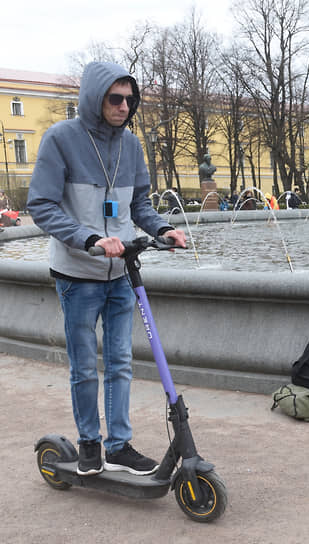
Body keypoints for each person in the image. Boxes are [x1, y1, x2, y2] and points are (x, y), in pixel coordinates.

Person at [27, 61, 187, 477]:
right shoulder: (61, 139)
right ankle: (88, 444)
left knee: (119, 362)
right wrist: (89, 240)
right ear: (94, 98)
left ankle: (118, 445)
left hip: (120, 274)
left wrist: (164, 229)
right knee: (84, 366)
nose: (123, 106)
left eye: (129, 100)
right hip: (77, 274)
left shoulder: (131, 145)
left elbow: (140, 206)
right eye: (115, 99)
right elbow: (41, 205)